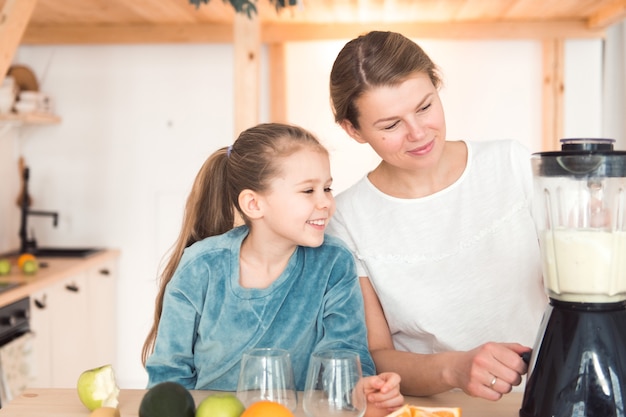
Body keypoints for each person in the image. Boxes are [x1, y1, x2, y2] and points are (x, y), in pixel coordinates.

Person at [326, 31, 548, 401]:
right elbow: (376, 358)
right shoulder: (347, 218)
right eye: (390, 125)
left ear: (437, 86)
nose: (417, 133)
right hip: (436, 408)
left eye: (425, 106)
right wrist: (454, 369)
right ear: (353, 130)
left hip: (546, 396)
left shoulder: (510, 163)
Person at [141, 123, 403, 416]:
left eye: (327, 188)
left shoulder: (333, 263)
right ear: (253, 204)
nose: (326, 202)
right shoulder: (202, 266)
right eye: (308, 190)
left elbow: (345, 355)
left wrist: (362, 389)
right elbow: (168, 374)